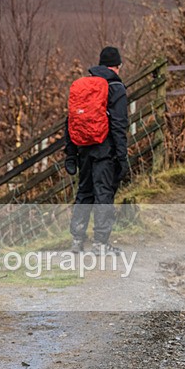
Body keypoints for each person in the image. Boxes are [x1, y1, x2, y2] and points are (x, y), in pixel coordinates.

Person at [64, 46, 129, 255]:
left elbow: (71, 119)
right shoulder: (116, 87)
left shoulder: (86, 85)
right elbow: (119, 125)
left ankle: (77, 240)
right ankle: (101, 244)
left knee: (84, 192)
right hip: (105, 149)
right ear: (117, 66)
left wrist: (71, 153)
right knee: (104, 193)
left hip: (83, 147)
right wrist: (122, 156)